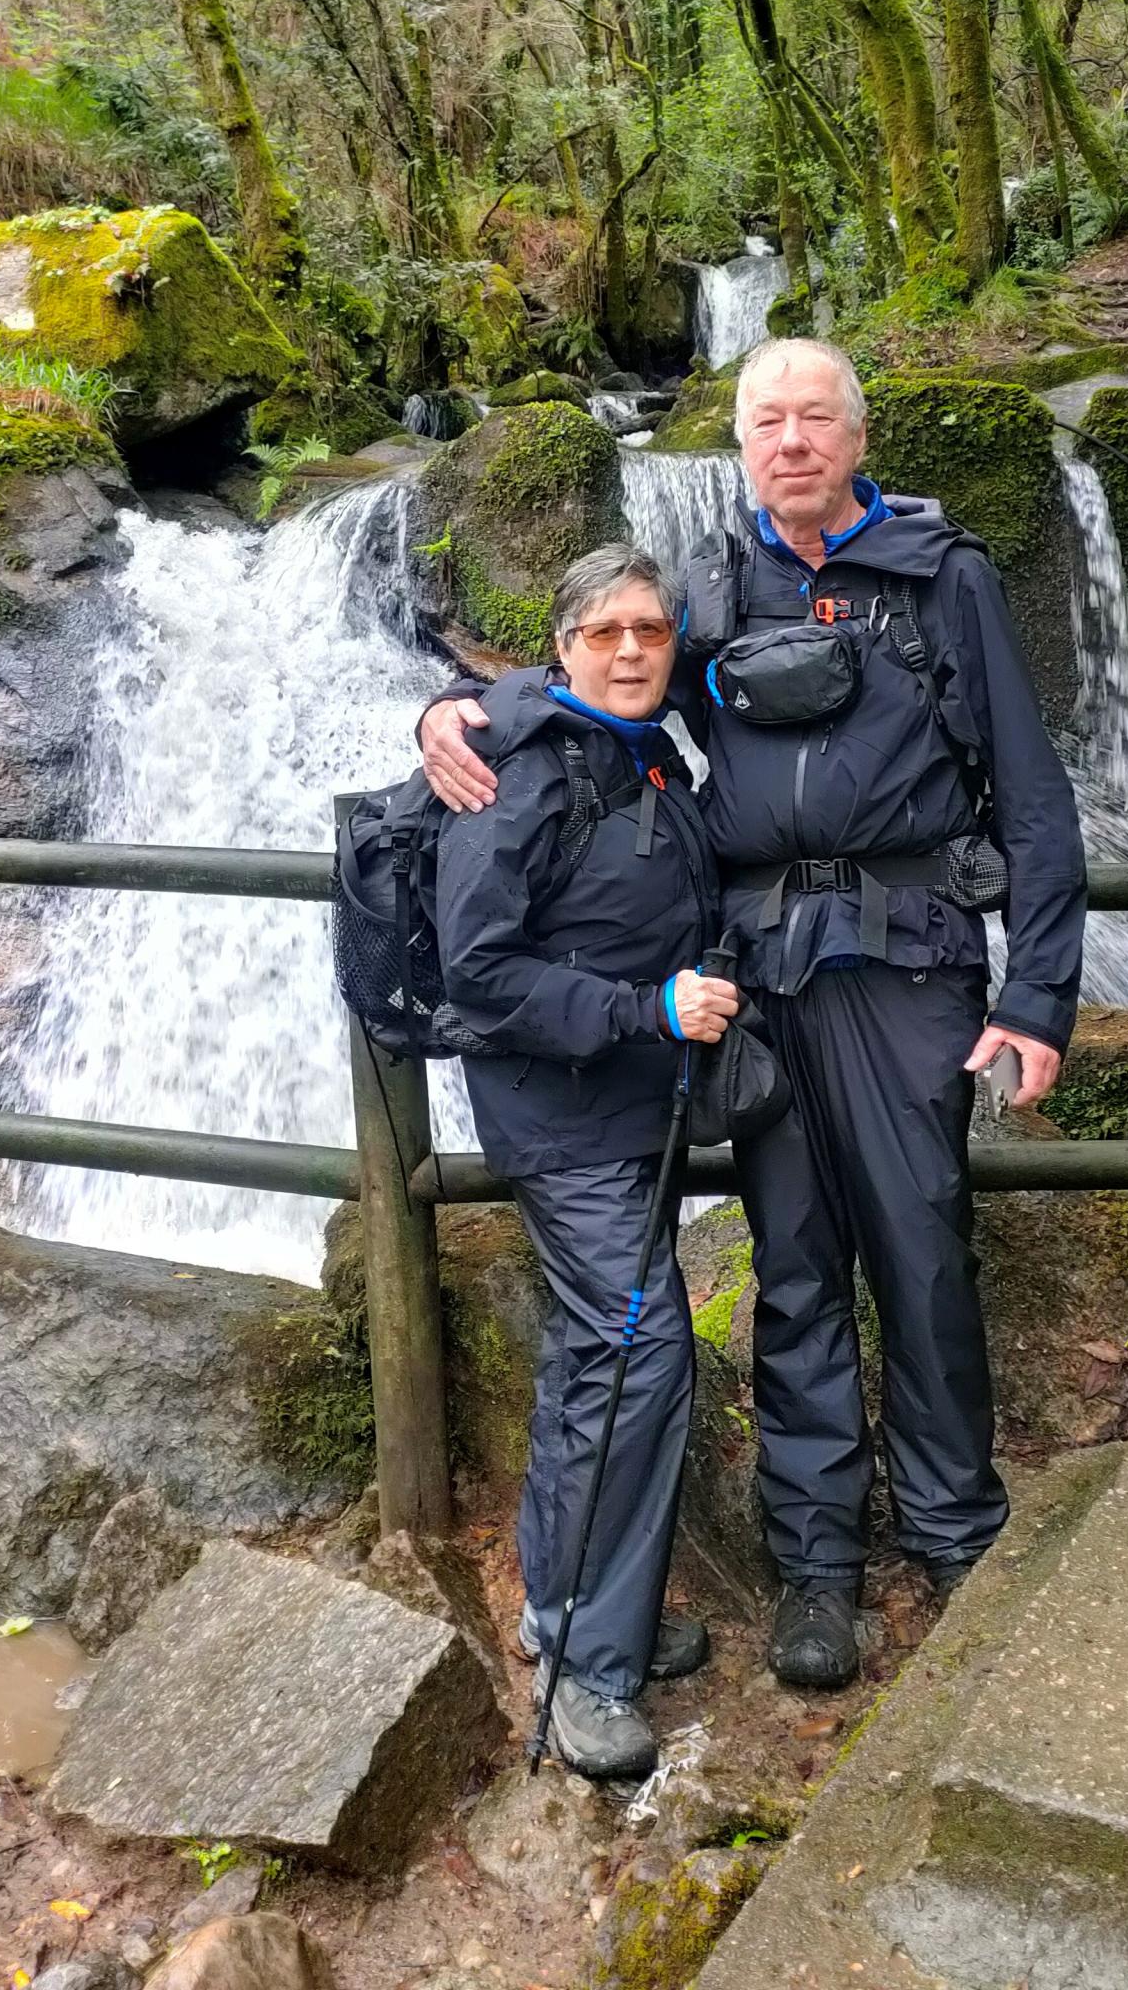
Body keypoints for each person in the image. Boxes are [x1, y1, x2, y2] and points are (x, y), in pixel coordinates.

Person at [423, 339, 1087, 1691]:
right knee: (794, 1277)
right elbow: (598, 680)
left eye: (814, 420)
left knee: (924, 1254)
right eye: (766, 422)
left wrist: (1038, 991)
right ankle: (817, 1571)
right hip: (761, 979)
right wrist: (461, 707)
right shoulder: (715, 582)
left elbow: (1031, 793)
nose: (790, 442)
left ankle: (958, 1535)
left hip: (908, 966)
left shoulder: (944, 577)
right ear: (740, 443)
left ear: (856, 435)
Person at [433, 541, 738, 1780]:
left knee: (589, 1359)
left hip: (629, 1113)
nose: (628, 650)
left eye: (648, 632)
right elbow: (480, 971)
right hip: (566, 1120)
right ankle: (586, 1677)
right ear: (558, 647)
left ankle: (565, 1608)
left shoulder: (650, 749)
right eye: (603, 631)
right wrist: (646, 1012)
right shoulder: (524, 772)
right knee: (640, 1351)